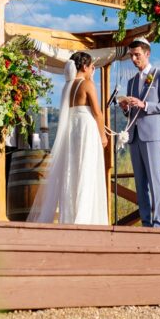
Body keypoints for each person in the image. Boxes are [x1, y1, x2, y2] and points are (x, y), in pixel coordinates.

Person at [28, 52, 109, 225]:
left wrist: (90, 78)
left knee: (72, 172)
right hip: (86, 130)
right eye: (90, 66)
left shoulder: (68, 86)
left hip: (72, 130)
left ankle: (72, 217)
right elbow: (98, 113)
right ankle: (86, 219)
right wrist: (103, 136)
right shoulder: (87, 84)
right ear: (85, 67)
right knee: (87, 170)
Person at [119, 38, 160, 228]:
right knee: (140, 182)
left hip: (151, 135)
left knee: (154, 180)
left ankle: (159, 223)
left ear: (147, 54)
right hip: (134, 136)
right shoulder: (131, 82)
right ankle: (145, 222)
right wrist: (125, 107)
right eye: (131, 55)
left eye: (137, 55)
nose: (134, 59)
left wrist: (145, 105)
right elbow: (131, 112)